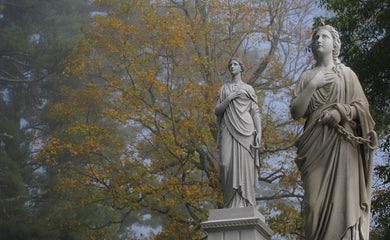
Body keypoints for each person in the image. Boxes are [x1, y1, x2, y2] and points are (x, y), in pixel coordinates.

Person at [290, 24, 377, 239]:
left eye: (325, 36)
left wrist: (341, 112)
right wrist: (313, 85)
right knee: (312, 204)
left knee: (344, 200)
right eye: (316, 37)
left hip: (342, 144)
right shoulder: (307, 76)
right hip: (315, 144)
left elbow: (363, 110)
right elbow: (296, 111)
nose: (319, 40)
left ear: (335, 44)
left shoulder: (347, 75)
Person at [215, 57, 261, 208]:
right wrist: (229, 99)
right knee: (224, 164)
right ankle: (229, 202)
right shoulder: (224, 89)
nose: (232, 67)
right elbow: (217, 110)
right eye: (230, 65)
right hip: (228, 127)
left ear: (241, 68)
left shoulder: (248, 89)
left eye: (235, 64)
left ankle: (244, 201)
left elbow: (255, 112)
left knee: (244, 166)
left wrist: (259, 132)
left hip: (246, 130)